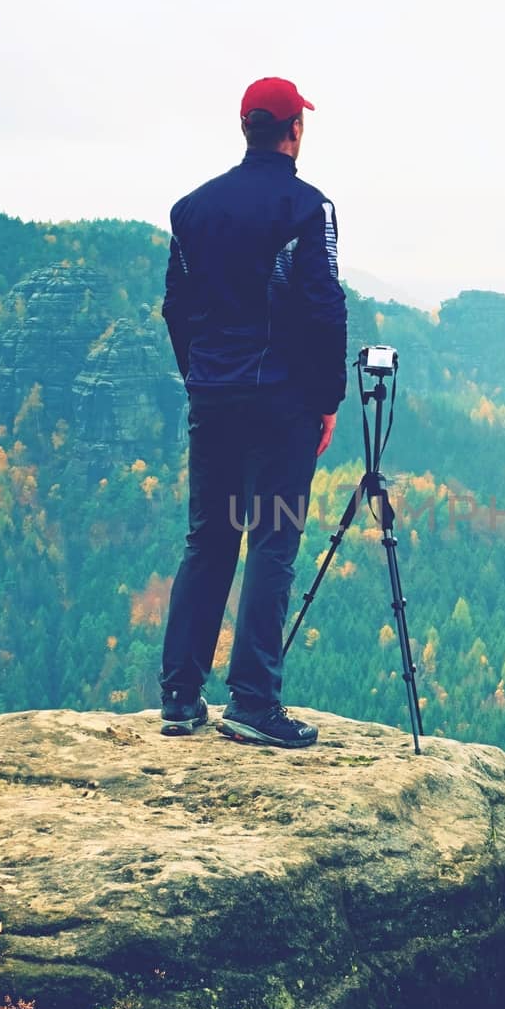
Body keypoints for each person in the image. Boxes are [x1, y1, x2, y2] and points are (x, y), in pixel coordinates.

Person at [157, 77, 347, 747]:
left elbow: (176, 307)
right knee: (271, 539)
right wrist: (326, 401)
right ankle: (253, 704)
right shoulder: (307, 209)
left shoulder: (191, 210)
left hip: (214, 397)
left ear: (246, 128)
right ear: (294, 130)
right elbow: (324, 307)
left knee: (208, 539)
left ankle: (180, 699)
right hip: (282, 403)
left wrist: (199, 378)